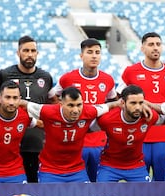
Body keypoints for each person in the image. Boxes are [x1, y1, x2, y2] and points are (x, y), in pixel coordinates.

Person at [3, 87, 120, 183]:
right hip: (50, 170)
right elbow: (22, 103)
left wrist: (120, 103)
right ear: (61, 104)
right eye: (70, 105)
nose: (75, 110)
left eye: (79, 105)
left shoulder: (89, 111)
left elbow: (111, 105)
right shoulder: (47, 111)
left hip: (77, 170)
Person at [0, 35, 54, 183]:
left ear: (37, 53)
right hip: (9, 147)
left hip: (37, 144)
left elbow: (53, 106)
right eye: (25, 50)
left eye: (33, 50)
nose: (29, 54)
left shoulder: (46, 77)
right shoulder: (5, 74)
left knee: (35, 190)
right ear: (18, 52)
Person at [48, 38, 117, 182]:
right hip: (76, 141)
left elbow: (113, 102)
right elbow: (53, 96)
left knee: (98, 185)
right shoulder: (68, 78)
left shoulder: (108, 80)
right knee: (78, 185)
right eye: (89, 52)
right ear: (81, 55)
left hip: (99, 140)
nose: (94, 56)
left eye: (97, 52)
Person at [116, 32, 165, 181]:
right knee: (139, 183)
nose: (155, 48)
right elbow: (120, 98)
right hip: (139, 135)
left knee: (163, 182)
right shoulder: (130, 72)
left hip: (164, 136)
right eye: (151, 44)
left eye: (158, 44)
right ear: (142, 48)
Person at [91, 85, 165, 182]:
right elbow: (87, 128)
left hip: (136, 166)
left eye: (140, 103)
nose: (138, 107)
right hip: (109, 166)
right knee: (102, 195)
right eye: (133, 103)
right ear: (122, 103)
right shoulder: (107, 119)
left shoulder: (149, 116)